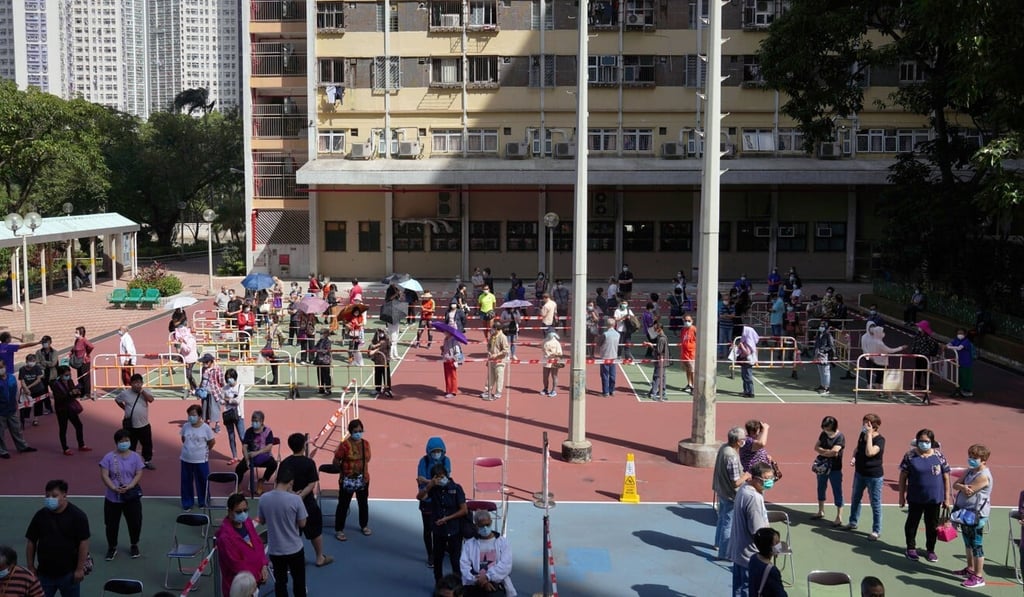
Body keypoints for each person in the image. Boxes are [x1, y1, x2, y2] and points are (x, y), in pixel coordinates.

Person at [25, 480, 90, 597]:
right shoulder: (40, 515)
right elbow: (31, 541)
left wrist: (79, 569)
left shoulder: (78, 516)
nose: (50, 499)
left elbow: (83, 543)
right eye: (47, 496)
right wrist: (30, 566)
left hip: (69, 574)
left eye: (54, 496)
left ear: (64, 495)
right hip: (44, 574)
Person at [279, 433, 333, 568]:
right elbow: (312, 483)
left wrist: (292, 494)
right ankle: (320, 557)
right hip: (307, 503)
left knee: (293, 533)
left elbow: (281, 483)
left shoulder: (285, 462)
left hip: (289, 503)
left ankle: (297, 559)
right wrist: (301, 496)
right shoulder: (309, 463)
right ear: (304, 446)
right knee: (315, 531)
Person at [898, 428, 951, 562]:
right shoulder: (910, 456)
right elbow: (903, 477)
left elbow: (946, 477)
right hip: (915, 497)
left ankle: (930, 550)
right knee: (912, 523)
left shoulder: (939, 456)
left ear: (932, 442)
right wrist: (901, 496)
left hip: (934, 498)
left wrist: (947, 497)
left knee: (932, 525)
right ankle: (910, 548)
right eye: (921, 441)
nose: (923, 443)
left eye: (926, 441)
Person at [259, 467, 308, 597]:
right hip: (294, 548)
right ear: (291, 482)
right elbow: (303, 523)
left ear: (276, 479)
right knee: (299, 582)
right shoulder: (296, 500)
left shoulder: (264, 498)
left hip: (275, 549)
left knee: (280, 582)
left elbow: (262, 520)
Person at [950, 444, 993, 588]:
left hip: (976, 515)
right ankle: (970, 569)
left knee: (976, 545)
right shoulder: (969, 471)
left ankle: (978, 576)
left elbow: (969, 491)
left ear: (983, 460)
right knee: (967, 543)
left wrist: (962, 487)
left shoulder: (984, 476)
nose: (971, 460)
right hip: (965, 513)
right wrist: (962, 486)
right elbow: (956, 485)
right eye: (970, 456)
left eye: (975, 458)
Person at [728, 462, 774, 597]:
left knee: (738, 588)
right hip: (750, 555)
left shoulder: (744, 489)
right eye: (767, 479)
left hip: (739, 551)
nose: (770, 482)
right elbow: (758, 531)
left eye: (772, 478)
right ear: (755, 479)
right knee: (749, 591)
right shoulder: (754, 499)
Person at [418, 463, 468, 585]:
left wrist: (447, 518)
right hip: (438, 531)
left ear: (446, 475)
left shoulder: (456, 488)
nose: (440, 479)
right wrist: (429, 485)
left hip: (454, 530)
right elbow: (420, 497)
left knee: (455, 561)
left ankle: (457, 587)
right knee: (438, 560)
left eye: (442, 476)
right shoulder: (433, 489)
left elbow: (464, 510)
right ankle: (439, 585)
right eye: (437, 477)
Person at [98, 429, 145, 561]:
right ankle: (112, 547)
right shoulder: (108, 457)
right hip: (113, 498)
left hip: (131, 496)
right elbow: (104, 475)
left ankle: (134, 544)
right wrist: (113, 488)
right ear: (116, 442)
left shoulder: (136, 457)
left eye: (126, 440)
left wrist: (130, 486)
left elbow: (139, 473)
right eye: (121, 441)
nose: (124, 443)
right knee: (111, 524)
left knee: (135, 522)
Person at [215, 494, 270, 596]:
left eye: (245, 510)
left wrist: (263, 565)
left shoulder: (247, 522)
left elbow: (258, 544)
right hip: (239, 587)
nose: (243, 514)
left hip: (254, 582)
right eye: (239, 511)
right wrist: (258, 575)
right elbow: (237, 565)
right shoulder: (225, 538)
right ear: (230, 512)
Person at [846, 413, 885, 541]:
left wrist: (869, 435)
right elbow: (858, 449)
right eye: (863, 423)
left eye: (867, 424)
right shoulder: (862, 435)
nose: (863, 426)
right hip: (859, 473)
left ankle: (876, 530)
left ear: (874, 426)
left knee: (875, 503)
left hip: (874, 476)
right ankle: (853, 522)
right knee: (855, 498)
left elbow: (870, 452)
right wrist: (854, 457)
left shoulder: (880, 440)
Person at [460, 509, 517, 597]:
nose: (485, 528)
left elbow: (506, 565)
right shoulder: (469, 544)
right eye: (482, 526)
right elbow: (464, 566)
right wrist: (478, 580)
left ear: (491, 522)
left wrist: (487, 577)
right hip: (475, 583)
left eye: (487, 525)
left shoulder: (502, 542)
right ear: (476, 526)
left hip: (497, 583)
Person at [713, 426, 750, 561]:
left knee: (722, 519)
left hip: (721, 490)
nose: (745, 441)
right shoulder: (732, 457)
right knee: (728, 523)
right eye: (743, 439)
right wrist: (746, 475)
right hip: (730, 494)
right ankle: (724, 553)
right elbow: (735, 482)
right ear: (738, 441)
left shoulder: (724, 448)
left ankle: (718, 544)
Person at [333, 418, 371, 540]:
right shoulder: (344, 445)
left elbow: (368, 458)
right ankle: (339, 529)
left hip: (363, 479)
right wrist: (344, 471)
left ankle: (364, 525)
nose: (358, 433)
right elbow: (336, 460)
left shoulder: (366, 444)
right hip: (347, 480)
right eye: (355, 431)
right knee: (343, 505)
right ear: (350, 432)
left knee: (363, 503)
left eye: (360, 430)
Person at [417, 437, 453, 567]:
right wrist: (431, 483)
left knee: (444, 525)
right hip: (427, 500)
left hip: (442, 500)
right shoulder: (424, 461)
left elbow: (446, 477)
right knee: (428, 529)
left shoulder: (446, 460)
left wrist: (430, 481)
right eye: (434, 451)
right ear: (429, 451)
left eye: (439, 451)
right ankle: (430, 554)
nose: (436, 453)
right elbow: (420, 478)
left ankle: (445, 547)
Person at [114, 374, 156, 470]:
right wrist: (124, 408)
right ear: (131, 384)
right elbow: (117, 400)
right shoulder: (125, 393)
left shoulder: (146, 392)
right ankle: (130, 462)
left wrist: (142, 392)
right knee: (131, 444)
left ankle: (147, 461)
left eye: (139, 382)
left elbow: (151, 400)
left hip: (144, 424)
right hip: (130, 425)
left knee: (147, 444)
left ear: (142, 383)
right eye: (135, 383)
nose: (137, 384)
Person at [179, 404, 215, 512]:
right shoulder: (186, 426)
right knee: (186, 481)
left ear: (200, 416)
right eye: (189, 415)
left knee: (203, 481)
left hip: (201, 460)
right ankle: (187, 503)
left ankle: (203, 502)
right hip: (186, 459)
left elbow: (212, 442)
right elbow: (183, 438)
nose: (191, 417)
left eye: (193, 415)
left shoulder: (206, 428)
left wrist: (204, 450)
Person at [811, 416, 845, 526]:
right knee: (821, 487)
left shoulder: (840, 437)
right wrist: (827, 452)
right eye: (824, 428)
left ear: (834, 427)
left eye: (828, 428)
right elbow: (816, 447)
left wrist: (823, 452)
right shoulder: (823, 434)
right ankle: (821, 510)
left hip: (835, 469)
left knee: (837, 490)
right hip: (822, 468)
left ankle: (839, 516)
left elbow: (835, 452)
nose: (826, 430)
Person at [235, 411, 277, 497]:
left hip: (264, 456)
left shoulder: (268, 431)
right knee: (239, 468)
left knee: (273, 464)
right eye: (253, 420)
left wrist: (257, 453)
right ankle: (238, 487)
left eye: (256, 421)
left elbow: (269, 447)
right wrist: (246, 459)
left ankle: (262, 480)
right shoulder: (249, 431)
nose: (254, 423)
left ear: (261, 421)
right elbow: (244, 447)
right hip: (250, 457)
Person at [0, 362, 37, 458]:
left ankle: (22, 447)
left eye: (1, 367)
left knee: (17, 429)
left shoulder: (11, 378)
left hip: (11, 409)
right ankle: (2, 451)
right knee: (0, 433)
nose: (0, 369)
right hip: (0, 411)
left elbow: (14, 391)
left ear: (5, 366)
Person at [859, 323, 906, 390]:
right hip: (872, 358)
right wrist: (901, 348)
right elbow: (889, 350)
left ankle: (879, 387)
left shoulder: (876, 339)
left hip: (878, 359)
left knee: (880, 373)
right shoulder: (867, 338)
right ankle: (871, 384)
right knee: (872, 371)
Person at [746, 527, 786, 597]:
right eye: (776, 543)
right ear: (768, 547)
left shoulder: (754, 558)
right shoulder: (772, 571)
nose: (779, 545)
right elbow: (780, 594)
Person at [222, 368, 246, 465]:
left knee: (242, 436)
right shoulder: (225, 388)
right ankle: (234, 456)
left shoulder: (240, 387)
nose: (228, 380)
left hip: (239, 415)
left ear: (234, 377)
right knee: (231, 436)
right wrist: (229, 400)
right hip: (228, 415)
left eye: (230, 378)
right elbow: (221, 400)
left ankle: (246, 456)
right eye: (227, 378)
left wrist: (229, 400)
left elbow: (238, 400)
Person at [18, 354, 48, 429]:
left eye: (33, 361)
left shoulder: (37, 368)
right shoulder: (22, 369)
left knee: (38, 405)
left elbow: (38, 380)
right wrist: (26, 389)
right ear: (26, 361)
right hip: (26, 391)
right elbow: (22, 380)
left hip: (38, 389)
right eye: (30, 361)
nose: (32, 362)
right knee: (26, 405)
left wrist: (28, 387)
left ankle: (36, 419)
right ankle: (23, 419)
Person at [482, 320, 509, 401]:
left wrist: (496, 355)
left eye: (493, 329)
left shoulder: (503, 337)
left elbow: (505, 350)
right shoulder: (492, 336)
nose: (491, 330)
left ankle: (498, 392)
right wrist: (489, 351)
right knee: (490, 377)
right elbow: (489, 345)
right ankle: (487, 391)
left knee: (499, 377)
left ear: (497, 329)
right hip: (491, 360)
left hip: (499, 361)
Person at [196, 353, 224, 432]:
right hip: (204, 392)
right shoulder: (203, 369)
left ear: (210, 362)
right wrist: (199, 390)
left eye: (205, 362)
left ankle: (217, 424)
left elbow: (222, 381)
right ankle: (206, 424)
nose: (204, 364)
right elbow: (202, 379)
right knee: (205, 408)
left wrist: (219, 389)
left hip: (214, 392)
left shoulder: (217, 369)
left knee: (215, 409)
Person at [909, 320, 939, 389]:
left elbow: (934, 345)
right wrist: (913, 351)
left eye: (919, 327)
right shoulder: (917, 335)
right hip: (918, 354)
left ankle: (927, 385)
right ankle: (918, 382)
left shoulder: (928, 338)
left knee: (925, 370)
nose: (918, 328)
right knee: (918, 368)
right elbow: (915, 343)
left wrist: (931, 353)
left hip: (925, 355)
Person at [173, 323, 199, 399]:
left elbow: (187, 350)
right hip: (186, 359)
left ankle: (196, 389)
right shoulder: (184, 338)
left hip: (191, 359)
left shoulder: (190, 339)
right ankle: (193, 389)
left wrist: (182, 343)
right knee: (188, 375)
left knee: (188, 374)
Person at [948, 328, 975, 398]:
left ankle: (967, 391)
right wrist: (947, 345)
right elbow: (950, 343)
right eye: (958, 333)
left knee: (965, 377)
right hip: (959, 362)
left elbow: (959, 348)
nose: (959, 335)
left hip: (966, 362)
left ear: (965, 334)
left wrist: (948, 347)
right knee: (959, 376)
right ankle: (958, 390)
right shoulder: (956, 340)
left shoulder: (966, 341)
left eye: (961, 333)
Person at [644, 323, 668, 401]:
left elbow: (659, 351)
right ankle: (662, 392)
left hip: (660, 360)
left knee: (657, 377)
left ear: (659, 329)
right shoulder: (663, 337)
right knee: (663, 377)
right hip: (664, 360)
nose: (654, 331)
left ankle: (653, 393)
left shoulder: (661, 339)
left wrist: (650, 345)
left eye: (655, 329)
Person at [68, 327, 93, 398]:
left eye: (76, 332)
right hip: (78, 361)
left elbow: (91, 346)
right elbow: (74, 348)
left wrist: (87, 353)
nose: (75, 334)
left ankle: (87, 393)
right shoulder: (77, 340)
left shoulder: (84, 340)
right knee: (80, 377)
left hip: (84, 362)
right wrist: (69, 354)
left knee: (85, 377)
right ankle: (81, 392)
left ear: (81, 334)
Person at [812, 320, 836, 396]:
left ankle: (826, 387)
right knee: (820, 371)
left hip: (825, 356)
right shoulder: (819, 334)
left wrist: (824, 350)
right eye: (820, 326)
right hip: (818, 355)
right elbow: (816, 344)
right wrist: (815, 353)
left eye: (823, 326)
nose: (821, 327)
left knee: (826, 372)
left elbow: (831, 346)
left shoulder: (828, 335)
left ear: (826, 327)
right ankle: (822, 385)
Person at [598, 318, 620, 397]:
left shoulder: (605, 334)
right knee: (612, 374)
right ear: (614, 325)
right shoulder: (618, 334)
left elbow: (599, 343)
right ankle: (612, 390)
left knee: (604, 374)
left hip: (605, 356)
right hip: (613, 356)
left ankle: (606, 392)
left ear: (607, 325)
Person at [367, 329, 393, 398]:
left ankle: (388, 389)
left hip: (384, 361)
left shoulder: (386, 341)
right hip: (377, 361)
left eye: (382, 332)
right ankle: (377, 389)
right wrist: (372, 348)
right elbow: (371, 349)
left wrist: (375, 349)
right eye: (379, 332)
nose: (381, 334)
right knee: (377, 375)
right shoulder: (375, 341)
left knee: (386, 376)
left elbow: (384, 345)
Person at [736, 326, 760, 398]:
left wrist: (742, 346)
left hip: (747, 361)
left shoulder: (749, 342)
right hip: (745, 361)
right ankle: (746, 390)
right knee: (744, 376)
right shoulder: (747, 341)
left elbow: (747, 353)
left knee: (747, 376)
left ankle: (750, 392)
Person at [540, 330, 563, 397]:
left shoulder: (557, 343)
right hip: (546, 361)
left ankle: (553, 390)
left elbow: (560, 354)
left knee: (554, 376)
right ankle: (545, 389)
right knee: (545, 376)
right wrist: (546, 355)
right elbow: (543, 349)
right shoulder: (544, 341)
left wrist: (552, 355)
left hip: (555, 361)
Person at [441, 329, 462, 399]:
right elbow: (445, 349)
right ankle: (448, 390)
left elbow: (458, 352)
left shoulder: (454, 341)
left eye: (445, 331)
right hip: (446, 359)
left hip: (452, 361)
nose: (444, 332)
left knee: (452, 376)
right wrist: (442, 349)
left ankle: (453, 391)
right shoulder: (445, 339)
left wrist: (454, 359)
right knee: (447, 376)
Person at [678, 314, 696, 393]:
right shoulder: (683, 330)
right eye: (685, 321)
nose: (687, 322)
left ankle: (694, 386)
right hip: (684, 354)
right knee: (687, 370)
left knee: (692, 371)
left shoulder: (694, 329)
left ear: (692, 321)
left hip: (692, 353)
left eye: (689, 321)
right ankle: (689, 384)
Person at [313, 329, 334, 395]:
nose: (321, 335)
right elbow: (315, 347)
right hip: (319, 360)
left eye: (322, 333)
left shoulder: (328, 341)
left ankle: (328, 389)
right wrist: (315, 349)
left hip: (325, 360)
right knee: (320, 375)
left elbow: (326, 350)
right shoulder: (320, 341)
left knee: (326, 375)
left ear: (326, 334)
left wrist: (319, 350)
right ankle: (321, 388)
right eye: (320, 333)